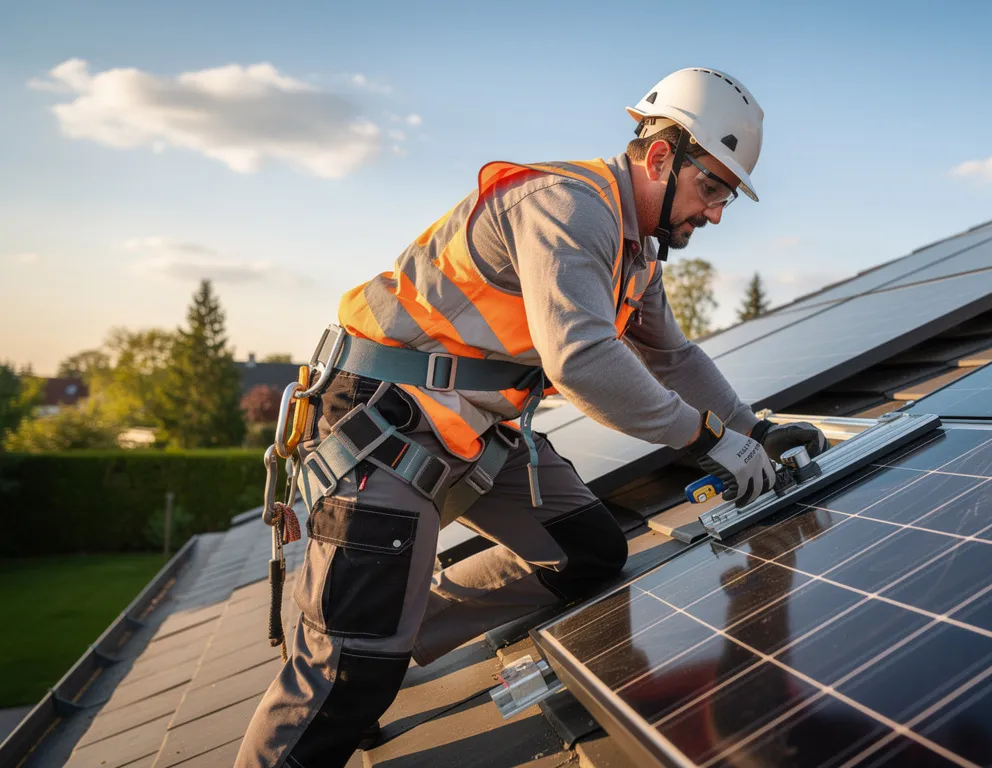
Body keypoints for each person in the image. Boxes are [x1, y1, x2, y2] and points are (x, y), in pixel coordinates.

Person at [237, 67, 828, 766]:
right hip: (383, 422)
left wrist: (752, 431)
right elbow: (582, 360)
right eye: (713, 189)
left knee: (587, 553)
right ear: (660, 158)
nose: (717, 213)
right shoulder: (568, 208)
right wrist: (707, 439)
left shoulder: (636, 254)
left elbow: (673, 358)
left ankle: (385, 616)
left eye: (727, 196)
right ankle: (355, 641)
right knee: (346, 679)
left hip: (474, 430)